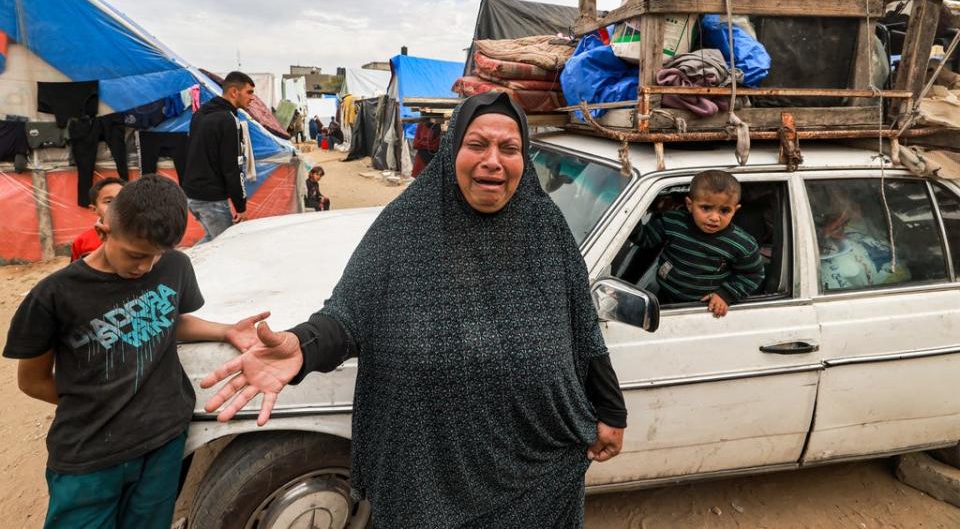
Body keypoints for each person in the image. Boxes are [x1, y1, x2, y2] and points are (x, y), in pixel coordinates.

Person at [201, 91, 626, 528]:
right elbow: (348, 315)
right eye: (477, 144)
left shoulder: (547, 229)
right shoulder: (407, 226)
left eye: (510, 148)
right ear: (452, 149)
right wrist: (303, 346)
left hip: (536, 472)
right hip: (426, 478)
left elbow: (582, 330)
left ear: (524, 156)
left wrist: (611, 411)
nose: (493, 161)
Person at [3, 175, 269, 529]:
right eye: (135, 255)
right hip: (90, 454)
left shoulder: (175, 266)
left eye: (157, 256)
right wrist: (97, 404)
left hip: (164, 440)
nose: (145, 267)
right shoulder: (54, 295)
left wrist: (225, 330)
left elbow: (169, 319)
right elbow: (32, 381)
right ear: (103, 230)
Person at [629, 170, 764, 317]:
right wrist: (628, 218)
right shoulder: (672, 222)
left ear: (735, 210)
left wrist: (726, 294)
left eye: (724, 210)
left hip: (704, 308)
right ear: (689, 205)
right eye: (706, 208)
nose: (714, 217)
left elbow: (753, 274)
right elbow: (646, 239)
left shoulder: (742, 244)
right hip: (664, 296)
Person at [181, 71, 254, 244]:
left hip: (191, 193)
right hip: (210, 198)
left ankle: (185, 267)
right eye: (249, 92)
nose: (252, 98)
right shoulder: (228, 120)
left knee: (212, 240)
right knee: (226, 245)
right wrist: (240, 205)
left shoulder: (200, 114)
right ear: (234, 92)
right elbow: (233, 167)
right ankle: (182, 269)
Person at [70, 176, 126, 261]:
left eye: (122, 199)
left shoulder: (143, 235)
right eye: (109, 201)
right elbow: (77, 272)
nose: (117, 205)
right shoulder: (82, 242)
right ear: (94, 209)